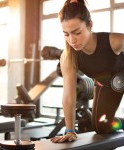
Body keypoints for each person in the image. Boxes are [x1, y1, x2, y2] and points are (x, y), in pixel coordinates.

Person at [50, 0, 124, 143]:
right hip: (107, 85)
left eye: (77, 32)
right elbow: (69, 96)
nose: (72, 40)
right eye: (66, 34)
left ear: (90, 25)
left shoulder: (115, 41)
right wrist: (70, 131)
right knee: (100, 126)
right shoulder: (68, 56)